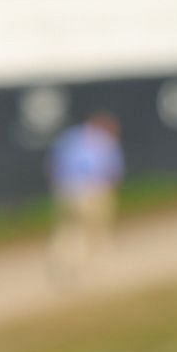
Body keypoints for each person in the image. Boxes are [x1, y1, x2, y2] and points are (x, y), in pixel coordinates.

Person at [46, 110, 123, 285]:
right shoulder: (104, 141)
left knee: (68, 229)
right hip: (94, 190)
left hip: (67, 189)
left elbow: (54, 165)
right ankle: (87, 267)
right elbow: (113, 170)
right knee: (93, 231)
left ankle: (61, 261)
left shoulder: (70, 138)